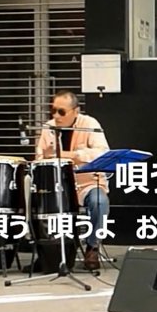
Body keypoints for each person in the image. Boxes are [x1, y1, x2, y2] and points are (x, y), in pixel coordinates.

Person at [35, 90, 110, 270]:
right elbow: (39, 158)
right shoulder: (49, 127)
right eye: (53, 110)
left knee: (99, 202)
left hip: (86, 183)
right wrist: (46, 158)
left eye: (61, 112)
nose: (56, 116)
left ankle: (92, 247)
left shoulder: (90, 124)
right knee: (33, 200)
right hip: (56, 186)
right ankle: (47, 253)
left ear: (76, 111)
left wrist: (72, 155)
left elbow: (102, 152)